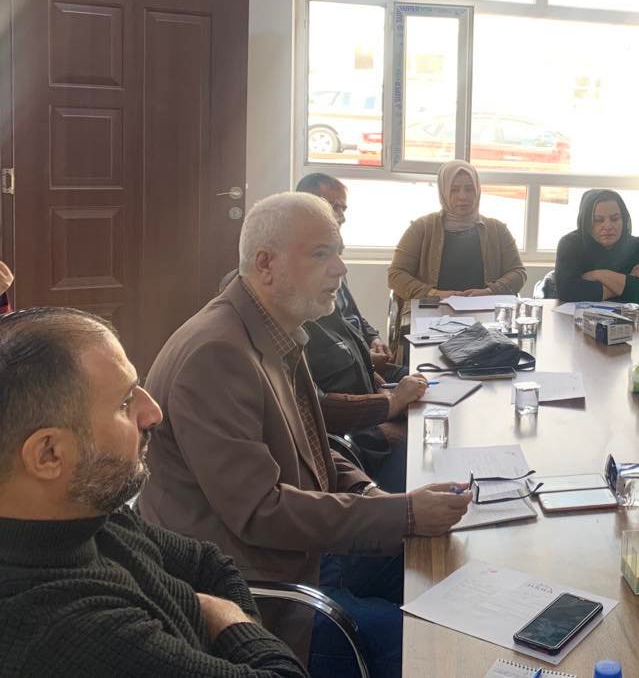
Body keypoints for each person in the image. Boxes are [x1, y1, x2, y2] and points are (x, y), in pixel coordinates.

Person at [141, 192, 471, 678]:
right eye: (321, 254)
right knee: (430, 642)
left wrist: (370, 492)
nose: (341, 268)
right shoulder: (217, 355)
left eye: (339, 251)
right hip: (260, 591)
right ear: (266, 264)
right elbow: (261, 512)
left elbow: (315, 446)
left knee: (447, 566)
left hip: (304, 550)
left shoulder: (272, 330)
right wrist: (401, 512)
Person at [0, 307, 306, 676]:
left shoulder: (88, 513)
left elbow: (209, 563)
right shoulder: (69, 629)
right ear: (48, 454)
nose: (153, 412)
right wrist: (224, 617)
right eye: (125, 403)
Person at [296, 174, 426, 492]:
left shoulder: (329, 266)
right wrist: (388, 405)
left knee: (433, 394)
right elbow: (317, 409)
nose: (340, 215)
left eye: (343, 208)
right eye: (333, 207)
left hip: (365, 389)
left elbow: (352, 319)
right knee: (425, 442)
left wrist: (371, 343)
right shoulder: (293, 312)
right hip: (354, 429)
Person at [388, 160, 526, 305]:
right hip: (433, 309)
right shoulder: (422, 228)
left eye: (469, 189)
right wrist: (435, 294)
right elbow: (395, 275)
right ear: (443, 191)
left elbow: (518, 273)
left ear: (477, 190)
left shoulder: (497, 229)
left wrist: (490, 292)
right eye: (454, 190)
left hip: (484, 309)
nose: (462, 196)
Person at [553, 190, 639, 304]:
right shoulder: (571, 245)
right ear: (586, 222)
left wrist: (598, 275)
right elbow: (567, 291)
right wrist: (626, 281)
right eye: (598, 220)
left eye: (615, 219)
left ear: (624, 219)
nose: (608, 226)